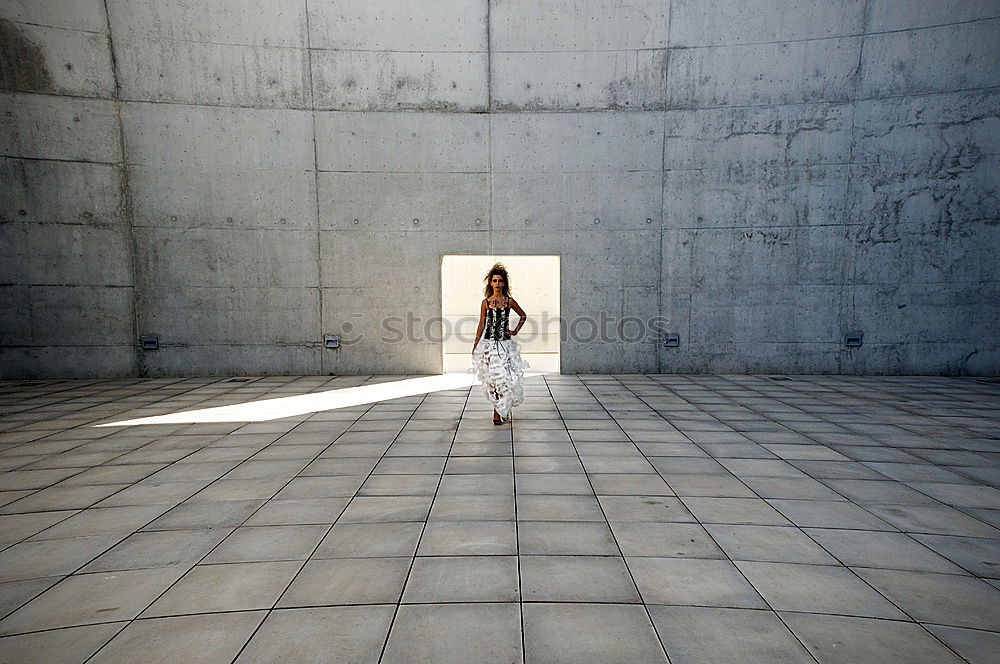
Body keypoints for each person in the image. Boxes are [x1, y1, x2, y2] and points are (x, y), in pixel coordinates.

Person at [469, 263, 530, 425]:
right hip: (488, 344)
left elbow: (523, 315)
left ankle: (502, 408)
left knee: (504, 378)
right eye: (494, 281)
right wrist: (476, 344)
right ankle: (497, 409)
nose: (497, 284)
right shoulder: (485, 303)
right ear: (490, 283)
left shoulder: (509, 301)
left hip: (505, 345)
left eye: (500, 281)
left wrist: (515, 331)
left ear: (504, 283)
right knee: (492, 378)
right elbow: (481, 324)